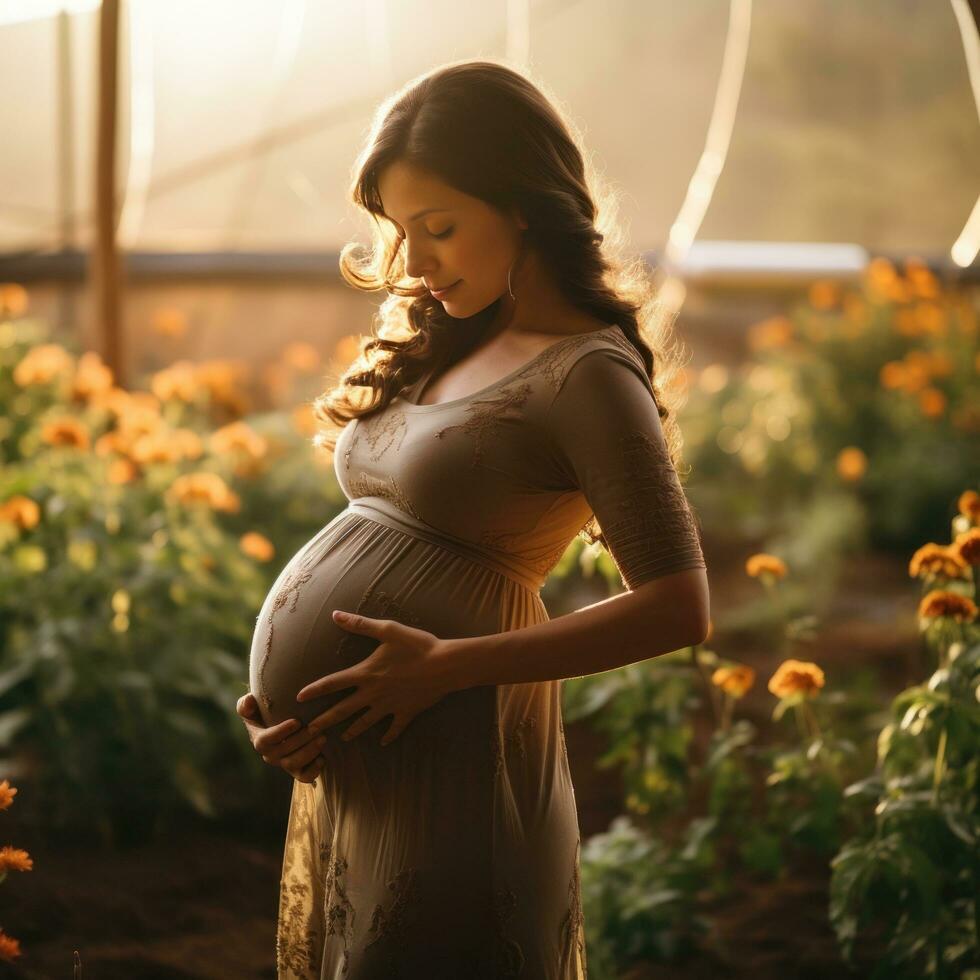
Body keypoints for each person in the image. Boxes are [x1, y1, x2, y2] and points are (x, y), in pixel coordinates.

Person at [237, 59, 709, 979]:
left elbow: (679, 606)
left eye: (440, 228)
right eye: (400, 231)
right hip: (368, 778)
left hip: (465, 773)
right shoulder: (445, 336)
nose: (412, 264)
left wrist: (447, 668)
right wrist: (289, 714)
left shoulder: (588, 376)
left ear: (524, 203)